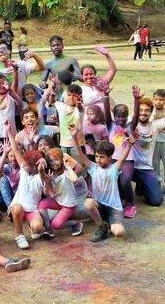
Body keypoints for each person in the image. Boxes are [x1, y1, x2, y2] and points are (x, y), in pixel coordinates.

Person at [69, 125, 135, 242]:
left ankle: (108, 223)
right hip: (98, 206)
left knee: (119, 232)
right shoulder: (93, 167)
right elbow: (80, 154)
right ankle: (102, 226)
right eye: (96, 156)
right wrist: (74, 137)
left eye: (102, 157)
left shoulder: (114, 169)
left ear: (110, 158)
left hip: (114, 208)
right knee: (88, 202)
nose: (98, 160)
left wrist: (129, 145)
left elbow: (123, 158)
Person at [5, 120, 46, 249]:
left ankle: (32, 227)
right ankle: (20, 235)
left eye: (27, 165)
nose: (23, 165)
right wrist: (9, 131)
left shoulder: (40, 176)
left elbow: (44, 180)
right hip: (18, 209)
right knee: (16, 207)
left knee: (38, 228)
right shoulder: (23, 170)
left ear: (34, 167)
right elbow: (16, 149)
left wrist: (41, 169)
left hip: (32, 210)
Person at [103, 86, 140, 218]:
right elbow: (106, 111)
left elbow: (136, 115)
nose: (121, 119)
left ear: (126, 116)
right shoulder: (111, 125)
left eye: (124, 116)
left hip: (127, 160)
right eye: (118, 116)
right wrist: (106, 96)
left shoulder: (130, 127)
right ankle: (120, 199)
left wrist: (136, 99)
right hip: (113, 159)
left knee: (125, 181)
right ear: (115, 116)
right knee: (114, 180)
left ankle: (130, 204)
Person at [39, 148, 84, 237]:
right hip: (58, 201)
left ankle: (76, 223)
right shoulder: (50, 175)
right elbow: (49, 194)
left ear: (61, 160)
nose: (53, 163)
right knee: (42, 204)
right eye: (51, 161)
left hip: (69, 204)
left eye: (56, 160)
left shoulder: (66, 173)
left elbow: (75, 179)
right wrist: (47, 181)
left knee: (56, 225)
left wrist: (68, 167)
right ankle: (48, 229)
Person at [132, 97, 165, 207]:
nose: (143, 113)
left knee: (157, 201)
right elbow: (113, 110)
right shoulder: (129, 122)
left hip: (146, 168)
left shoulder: (155, 125)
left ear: (151, 112)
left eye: (146, 110)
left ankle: (143, 185)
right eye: (140, 110)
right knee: (121, 175)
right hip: (130, 166)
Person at [80, 46, 117, 113]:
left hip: (104, 119)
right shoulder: (80, 89)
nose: (89, 76)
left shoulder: (101, 84)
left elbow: (113, 70)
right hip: (88, 120)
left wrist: (107, 55)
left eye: (91, 74)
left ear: (95, 74)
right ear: (82, 76)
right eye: (86, 74)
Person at [152, 89, 165, 184]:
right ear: (153, 99)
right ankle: (157, 184)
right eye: (156, 99)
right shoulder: (149, 111)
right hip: (153, 143)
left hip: (164, 142)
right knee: (154, 164)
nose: (158, 102)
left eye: (161, 99)